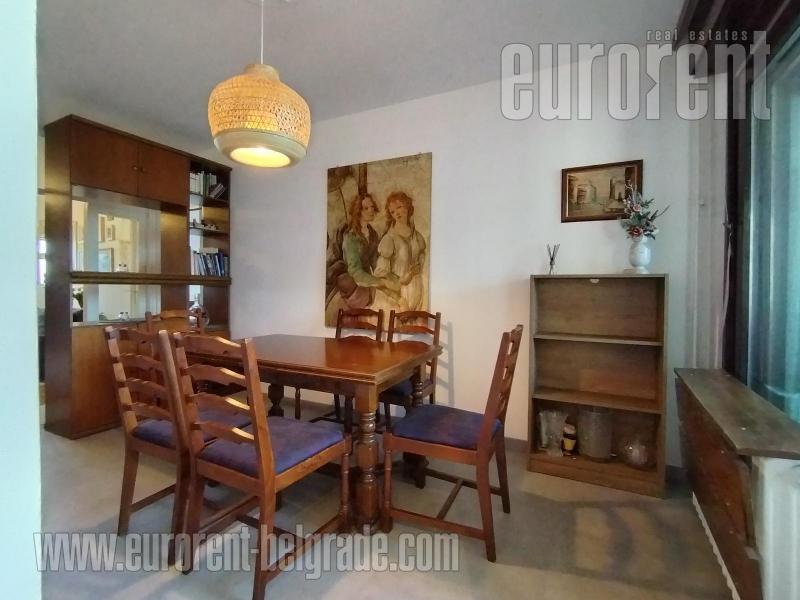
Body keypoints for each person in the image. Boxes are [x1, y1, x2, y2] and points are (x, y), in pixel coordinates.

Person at [326, 193, 398, 310]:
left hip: (367, 280)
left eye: (372, 207)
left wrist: (390, 277)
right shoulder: (351, 237)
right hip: (352, 284)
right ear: (358, 212)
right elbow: (355, 272)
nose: (371, 210)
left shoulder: (373, 234)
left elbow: (376, 265)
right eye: (366, 208)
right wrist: (383, 283)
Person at [374, 191, 426, 312]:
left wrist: (419, 268)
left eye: (399, 207)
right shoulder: (389, 239)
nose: (396, 213)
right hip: (396, 302)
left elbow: (421, 259)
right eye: (392, 211)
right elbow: (379, 276)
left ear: (407, 207)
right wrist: (401, 280)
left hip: (417, 297)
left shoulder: (417, 237)